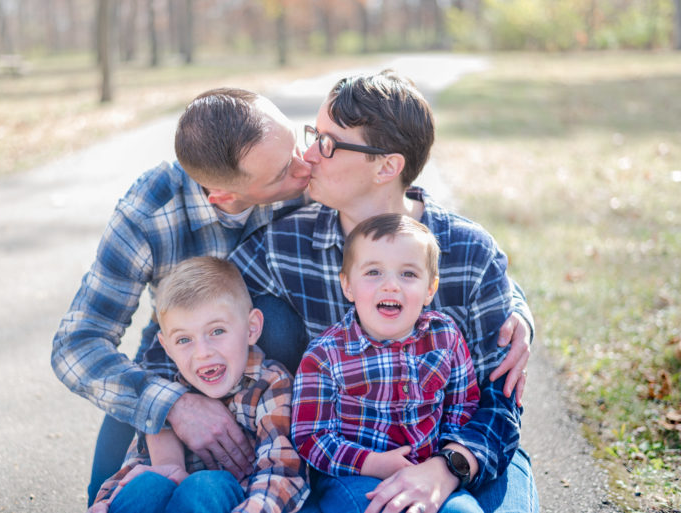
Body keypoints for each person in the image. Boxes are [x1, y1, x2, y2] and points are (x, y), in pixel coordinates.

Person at [227, 70, 538, 512]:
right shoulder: (286, 245)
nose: (309, 154)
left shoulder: (468, 251)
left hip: (471, 449)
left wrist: (447, 467)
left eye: (329, 145)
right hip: (356, 457)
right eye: (314, 134)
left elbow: (501, 402)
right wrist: (172, 408)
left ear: (388, 166)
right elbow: (201, 308)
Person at [50, 87, 312, 505]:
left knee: (274, 318)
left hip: (268, 370)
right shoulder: (152, 209)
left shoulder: (311, 182)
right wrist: (173, 406)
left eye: (296, 145)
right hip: (175, 360)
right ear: (223, 196)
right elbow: (76, 344)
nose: (305, 170)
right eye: (282, 174)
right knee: (118, 495)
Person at [291, 213, 483, 513]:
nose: (391, 285)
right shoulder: (325, 355)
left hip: (430, 474)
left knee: (464, 511)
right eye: (373, 272)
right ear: (348, 286)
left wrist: (442, 460)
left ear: (430, 289)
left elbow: (463, 406)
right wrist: (372, 463)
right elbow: (311, 436)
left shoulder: (445, 337)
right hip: (353, 476)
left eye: (408, 274)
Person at [88, 256, 308, 513]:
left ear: (251, 328)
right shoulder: (170, 394)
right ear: (166, 347)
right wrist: (107, 500)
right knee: (149, 482)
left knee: (208, 484)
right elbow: (138, 462)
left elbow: (281, 472)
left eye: (217, 331)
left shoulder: (271, 386)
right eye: (184, 340)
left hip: (234, 501)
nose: (202, 352)